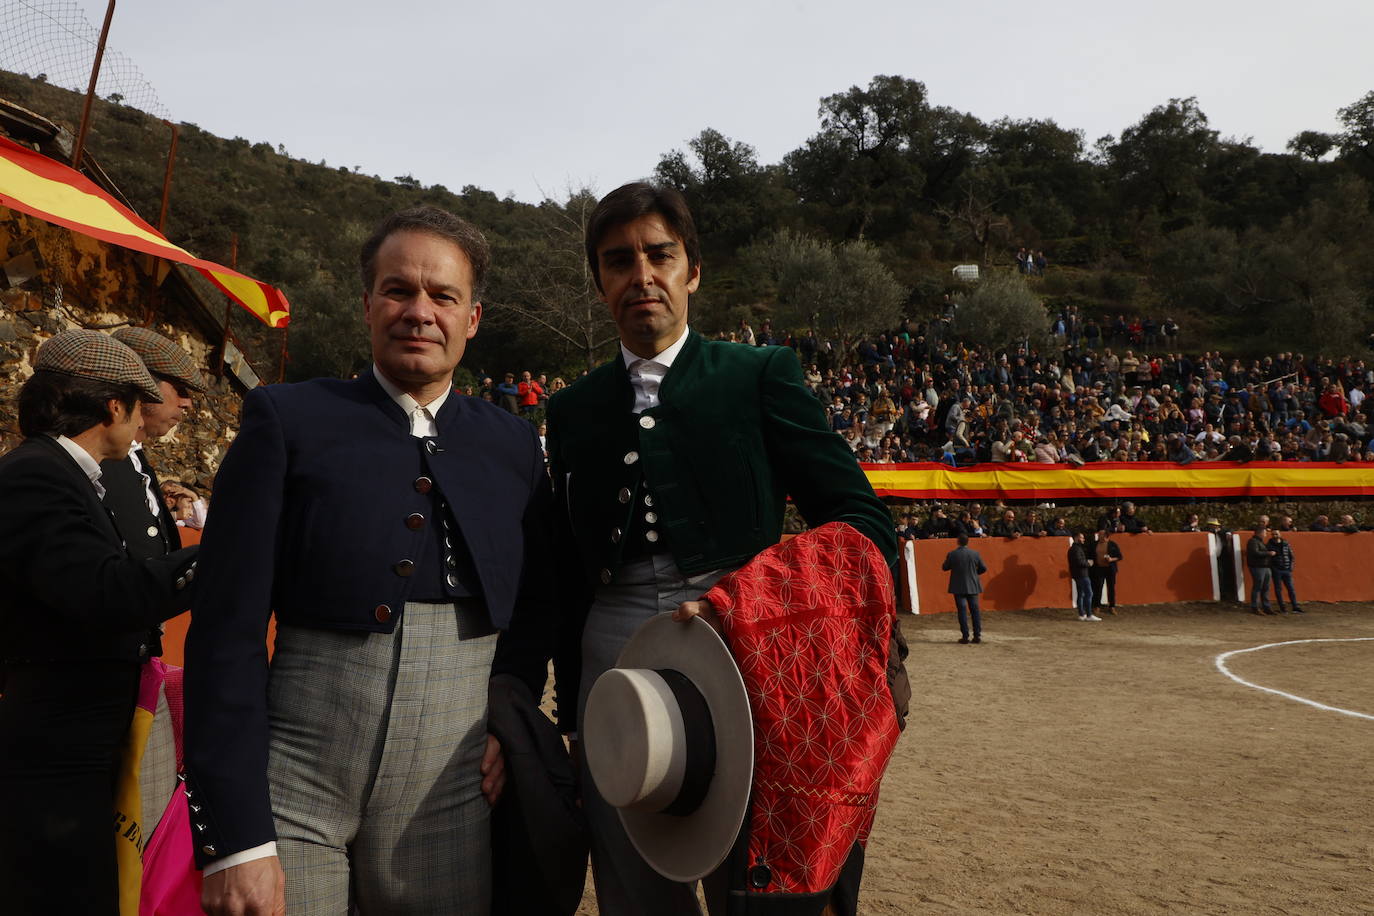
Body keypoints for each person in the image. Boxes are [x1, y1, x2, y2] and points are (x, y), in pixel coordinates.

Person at [184, 207, 554, 915]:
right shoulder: (285, 420)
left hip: (450, 793)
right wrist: (236, 840)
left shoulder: (512, 445)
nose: (419, 312)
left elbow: (537, 605)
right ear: (367, 306)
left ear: (472, 318)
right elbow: (226, 634)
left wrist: (507, 707)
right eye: (398, 291)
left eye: (442, 296)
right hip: (294, 785)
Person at [546, 182, 902, 915]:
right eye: (618, 262)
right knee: (635, 882)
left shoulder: (758, 375)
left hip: (742, 642)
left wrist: (758, 598)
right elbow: (566, 569)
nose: (641, 275)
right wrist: (571, 712)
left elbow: (860, 517)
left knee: (755, 876)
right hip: (609, 648)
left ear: (692, 271)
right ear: (600, 282)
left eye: (660, 255)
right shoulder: (573, 409)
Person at [0, 330, 198, 915]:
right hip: (58, 740)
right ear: (114, 407)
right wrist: (226, 550)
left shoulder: (57, 470)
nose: (144, 420)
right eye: (140, 403)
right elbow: (105, 592)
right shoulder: (38, 473)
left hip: (81, 729)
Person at [99, 327, 207, 561]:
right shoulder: (95, 460)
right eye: (179, 389)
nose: (187, 403)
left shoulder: (136, 459)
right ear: (141, 385)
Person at [942, 534, 987, 643]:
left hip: (958, 586)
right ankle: (977, 635)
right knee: (975, 611)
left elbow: (944, 567)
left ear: (958, 541)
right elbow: (983, 568)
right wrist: (975, 574)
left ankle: (965, 636)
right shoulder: (975, 554)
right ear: (968, 542)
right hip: (973, 585)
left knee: (962, 611)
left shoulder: (952, 554)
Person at [1267, 528, 1301, 613]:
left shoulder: (1286, 544)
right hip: (1276, 570)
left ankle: (1295, 607)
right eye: (1273, 534)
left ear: (1280, 534)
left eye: (1276, 534)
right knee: (1278, 590)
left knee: (1291, 589)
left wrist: (1290, 567)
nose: (1275, 536)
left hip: (1286, 569)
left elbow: (1291, 556)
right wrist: (1273, 568)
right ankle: (1283, 608)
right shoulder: (1268, 545)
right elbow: (1268, 559)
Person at [1067, 531, 1099, 621]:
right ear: (1077, 538)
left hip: (1078, 574)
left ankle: (1082, 614)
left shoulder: (1074, 549)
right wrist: (1088, 563)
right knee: (1089, 593)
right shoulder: (1076, 549)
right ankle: (1089, 614)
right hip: (1082, 574)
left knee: (1081, 594)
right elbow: (1079, 562)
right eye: (1082, 537)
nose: (1083, 539)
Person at [1091, 530, 1123, 615]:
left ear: (1105, 535)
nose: (1098, 535)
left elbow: (1120, 556)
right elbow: (1090, 555)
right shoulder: (1094, 544)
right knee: (1098, 588)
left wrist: (1111, 559)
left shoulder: (1112, 544)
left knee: (1111, 588)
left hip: (1110, 569)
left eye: (1100, 534)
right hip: (1099, 569)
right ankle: (1096, 606)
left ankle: (1112, 606)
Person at [1246, 526, 1277, 615]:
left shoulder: (1259, 542)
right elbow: (1255, 553)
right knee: (1258, 587)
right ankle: (1255, 607)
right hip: (1257, 567)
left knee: (1266, 588)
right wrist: (1268, 553)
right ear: (1259, 533)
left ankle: (1266, 606)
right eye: (1264, 533)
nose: (1265, 535)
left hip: (1265, 567)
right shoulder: (1253, 542)